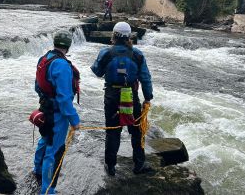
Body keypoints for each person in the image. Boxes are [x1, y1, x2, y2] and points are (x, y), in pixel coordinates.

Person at [91, 22, 154, 176]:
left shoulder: (105, 53)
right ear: (129, 36)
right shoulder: (137, 54)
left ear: (114, 35)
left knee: (113, 132)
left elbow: (97, 71)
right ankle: (139, 164)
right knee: (137, 131)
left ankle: (111, 166)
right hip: (131, 96)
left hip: (112, 96)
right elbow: (145, 78)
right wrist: (148, 97)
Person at [33, 30, 80, 195]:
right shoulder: (62, 65)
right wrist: (74, 120)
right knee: (54, 151)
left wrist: (45, 101)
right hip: (57, 114)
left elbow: (37, 86)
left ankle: (37, 169)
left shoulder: (44, 58)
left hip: (45, 108)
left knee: (44, 139)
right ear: (68, 45)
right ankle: (48, 190)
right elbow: (65, 98)